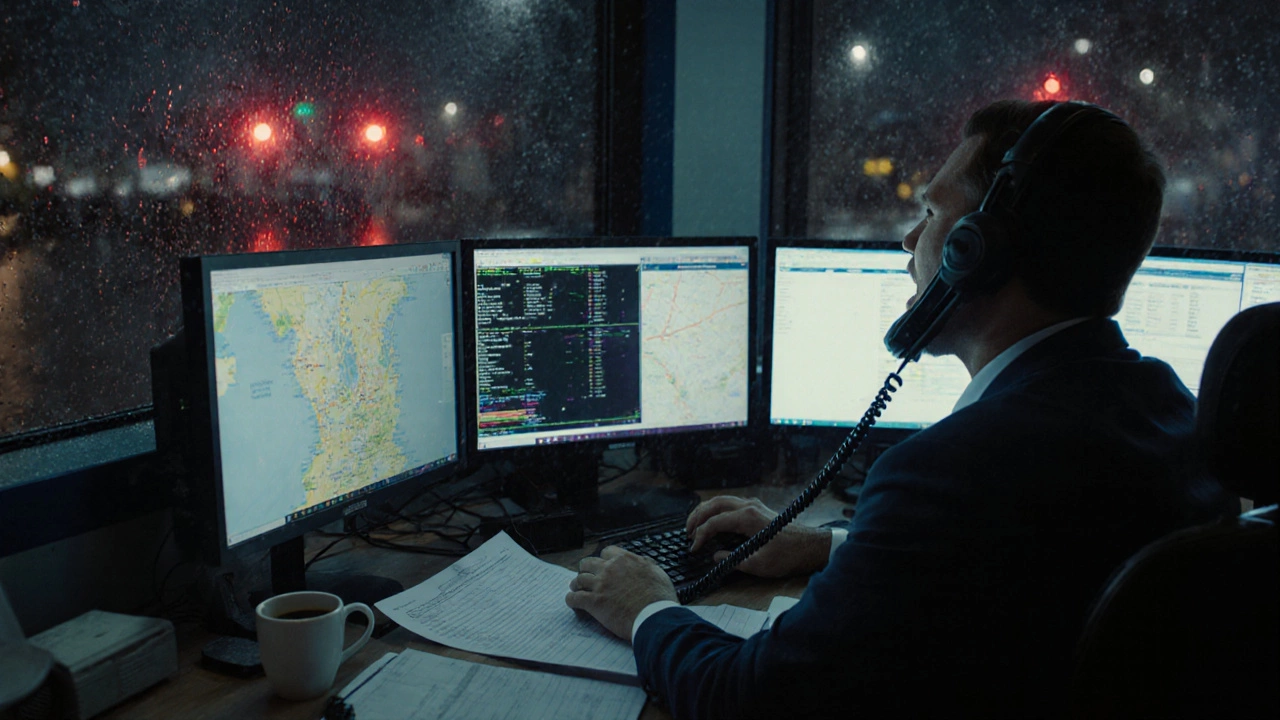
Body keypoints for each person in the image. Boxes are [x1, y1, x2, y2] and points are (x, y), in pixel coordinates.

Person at [565, 99, 1236, 719]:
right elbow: (1022, 568)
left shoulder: (952, 473)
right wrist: (827, 544)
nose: (910, 241)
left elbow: (749, 700)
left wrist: (646, 608)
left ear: (981, 251)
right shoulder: (1175, 413)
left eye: (934, 216)